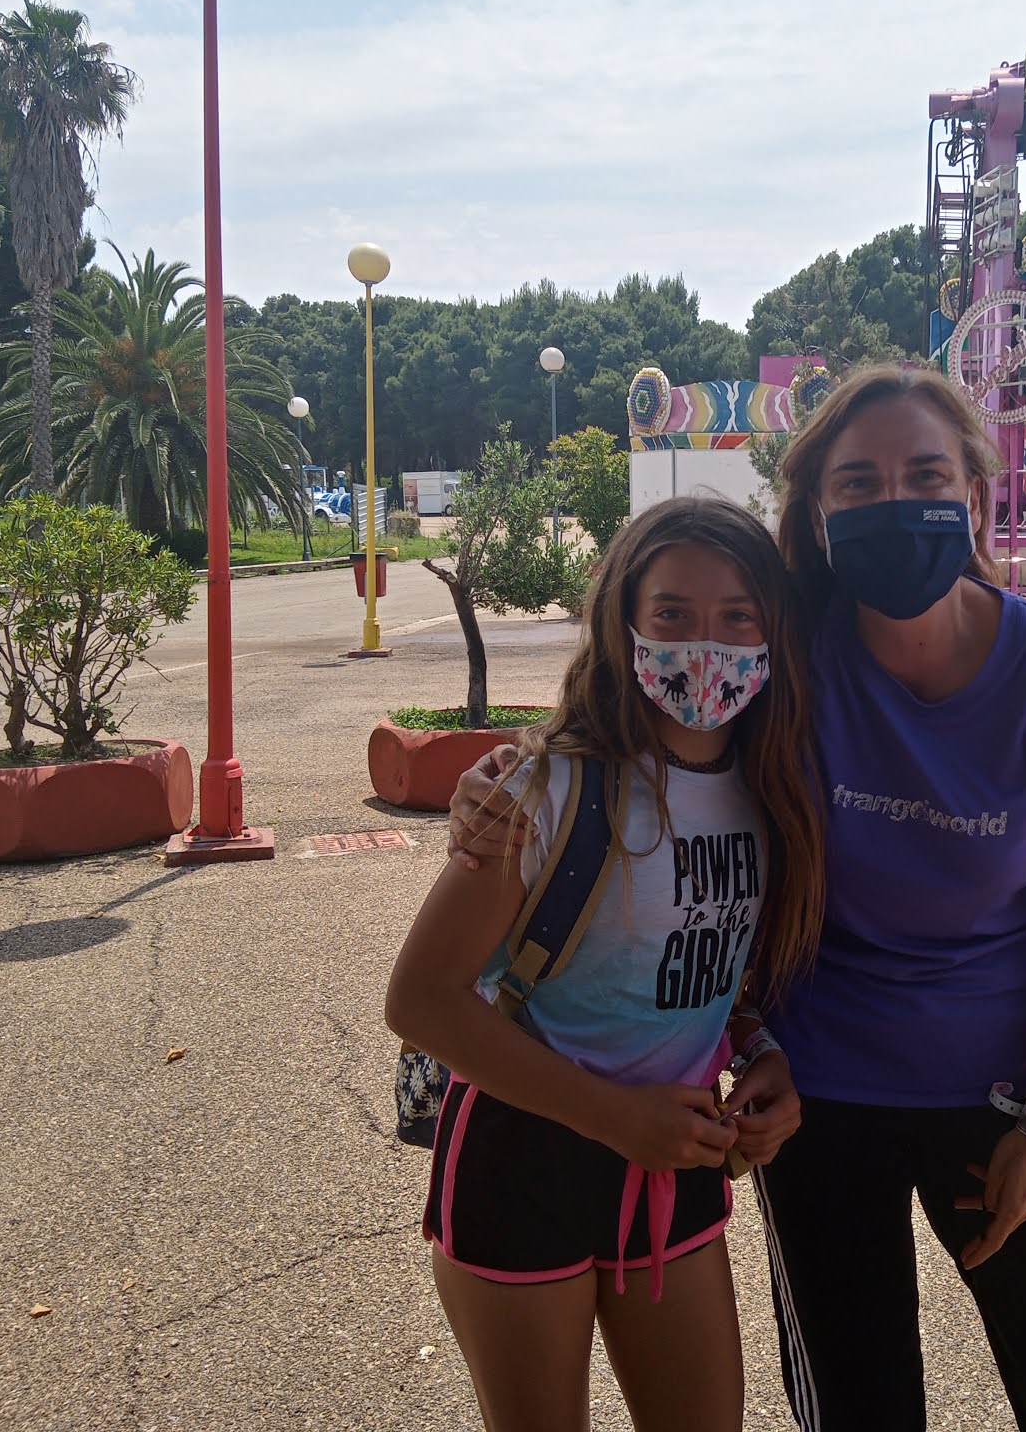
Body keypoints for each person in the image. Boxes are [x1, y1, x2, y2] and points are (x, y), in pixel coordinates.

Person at [452, 365, 1026, 1431]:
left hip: (1003, 1090)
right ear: (817, 512)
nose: (893, 501)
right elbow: (651, 719)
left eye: (925, 474)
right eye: (857, 481)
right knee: (855, 1401)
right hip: (821, 1096)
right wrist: (510, 773)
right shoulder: (786, 656)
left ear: (974, 492)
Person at [386, 498, 826, 1432]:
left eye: (738, 616)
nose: (706, 644)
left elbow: (712, 967)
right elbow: (421, 1001)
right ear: (624, 623)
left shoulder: (774, 791)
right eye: (672, 614)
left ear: (774, 633)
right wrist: (615, 1117)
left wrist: (763, 1053)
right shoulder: (541, 789)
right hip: (524, 1157)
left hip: (676, 1162)